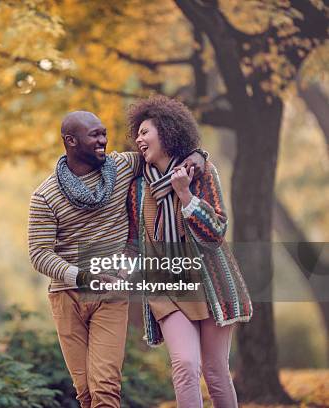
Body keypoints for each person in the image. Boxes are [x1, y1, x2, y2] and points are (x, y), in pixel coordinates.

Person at [27, 111, 206, 408]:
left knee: (106, 387)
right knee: (85, 391)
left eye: (104, 133)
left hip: (112, 292)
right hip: (66, 296)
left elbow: (163, 151)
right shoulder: (45, 196)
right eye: (94, 135)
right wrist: (82, 277)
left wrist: (198, 155)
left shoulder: (121, 165)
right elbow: (39, 253)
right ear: (70, 142)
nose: (103, 141)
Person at [125, 95, 253, 408]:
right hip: (166, 288)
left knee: (215, 371)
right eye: (137, 134)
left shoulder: (201, 173)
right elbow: (133, 238)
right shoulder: (137, 185)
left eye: (145, 131)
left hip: (209, 284)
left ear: (167, 132)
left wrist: (185, 196)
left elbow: (216, 232)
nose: (139, 139)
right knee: (185, 366)